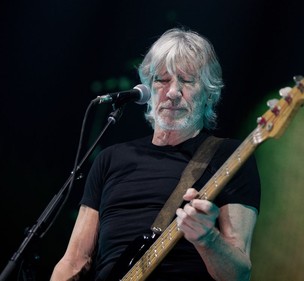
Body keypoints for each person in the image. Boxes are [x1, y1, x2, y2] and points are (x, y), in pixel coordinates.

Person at [51, 27, 261, 281]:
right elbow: (74, 261)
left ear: (209, 94)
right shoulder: (110, 159)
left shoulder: (230, 156)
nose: (172, 92)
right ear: (148, 89)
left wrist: (208, 239)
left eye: (187, 80)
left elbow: (239, 274)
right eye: (162, 79)